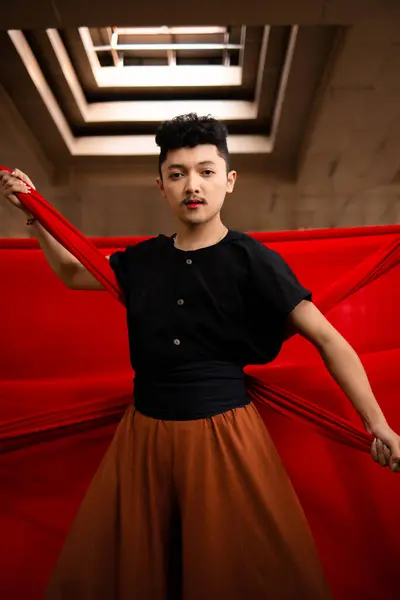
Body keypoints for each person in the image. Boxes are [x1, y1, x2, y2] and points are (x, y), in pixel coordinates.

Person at [1, 113, 399, 600]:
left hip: (224, 438)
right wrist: (35, 212)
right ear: (161, 185)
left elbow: (330, 340)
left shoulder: (253, 260)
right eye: (178, 173)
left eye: (206, 172)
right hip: (142, 439)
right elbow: (71, 272)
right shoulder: (142, 260)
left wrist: (377, 424)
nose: (193, 185)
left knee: (227, 573)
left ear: (229, 181)